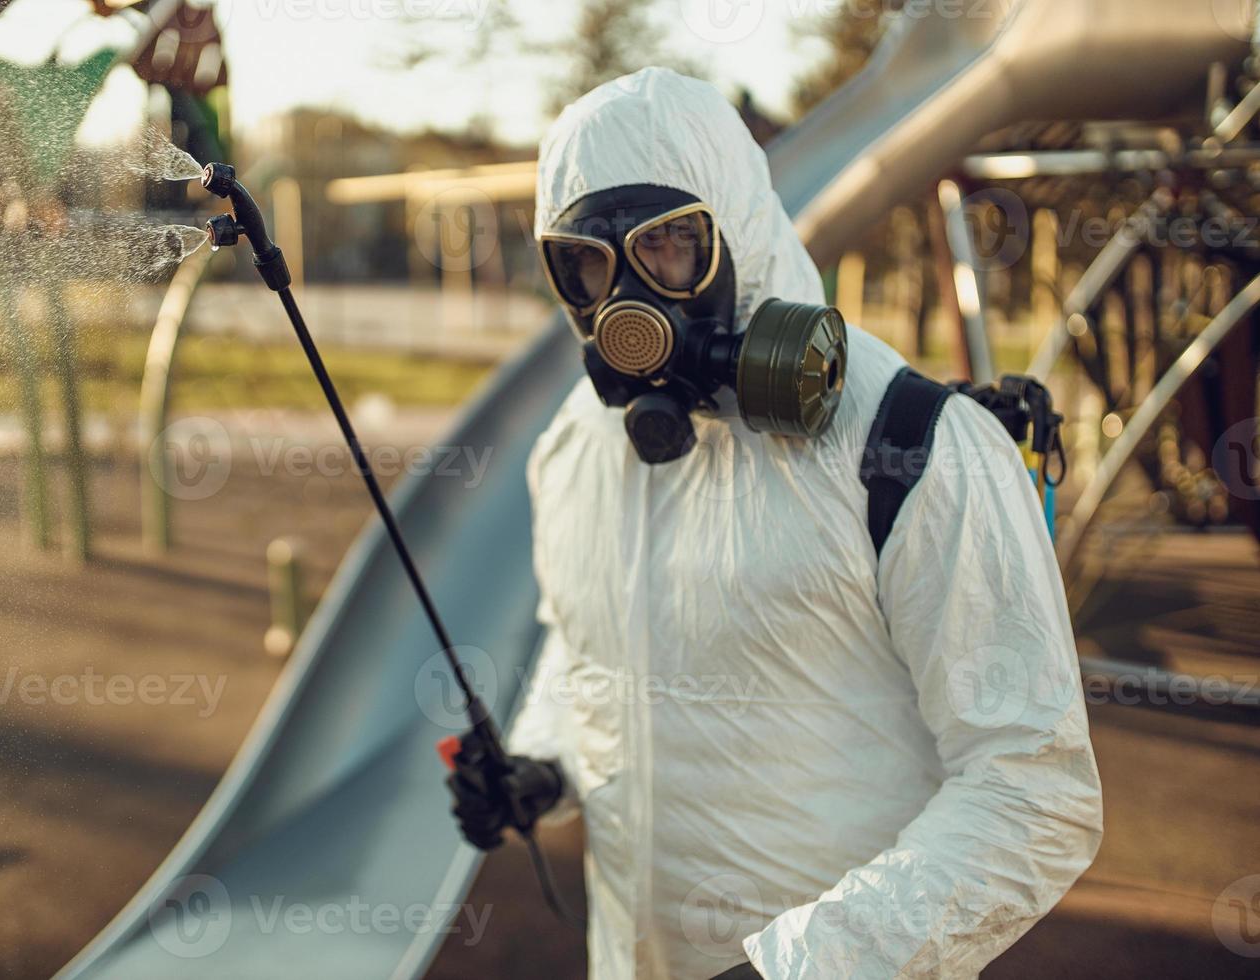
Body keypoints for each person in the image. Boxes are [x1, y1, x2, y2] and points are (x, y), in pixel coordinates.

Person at [446, 68, 1102, 979]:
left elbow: (1035, 788)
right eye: (590, 265)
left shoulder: (908, 446)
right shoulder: (576, 450)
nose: (630, 304)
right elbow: (586, 653)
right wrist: (542, 767)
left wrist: (801, 967)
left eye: (669, 244)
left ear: (741, 228)